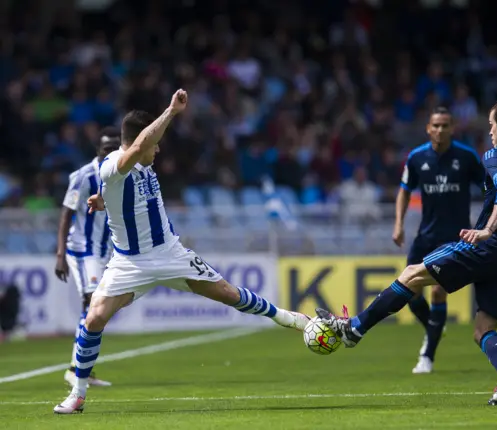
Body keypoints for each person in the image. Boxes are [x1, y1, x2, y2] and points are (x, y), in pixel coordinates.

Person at [54, 90, 310, 414]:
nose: (158, 149)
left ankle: (295, 320)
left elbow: (127, 197)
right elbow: (133, 152)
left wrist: (103, 203)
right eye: (154, 143)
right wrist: (171, 112)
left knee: (231, 295)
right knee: (93, 318)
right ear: (141, 142)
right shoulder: (112, 166)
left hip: (170, 254)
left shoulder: (136, 168)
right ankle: (77, 393)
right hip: (129, 263)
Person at [316, 97, 497, 405]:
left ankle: (354, 330)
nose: (491, 130)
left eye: (493, 125)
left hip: (488, 247)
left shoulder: (495, 155)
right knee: (483, 330)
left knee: (412, 273)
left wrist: (488, 229)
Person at [394, 107, 484, 374]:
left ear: (452, 128)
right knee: (409, 293)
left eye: (445, 125)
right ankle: (434, 327)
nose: (441, 130)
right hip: (425, 236)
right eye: (436, 125)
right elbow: (404, 191)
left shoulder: (466, 157)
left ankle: (427, 356)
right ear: (428, 128)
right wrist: (398, 223)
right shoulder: (416, 157)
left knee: (437, 291)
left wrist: (485, 226)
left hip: (454, 239)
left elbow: (488, 189)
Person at [54, 127, 121, 388]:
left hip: (106, 251)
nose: (111, 152)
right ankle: (76, 370)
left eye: (116, 147)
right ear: (98, 150)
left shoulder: (121, 174)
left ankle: (83, 370)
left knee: (96, 308)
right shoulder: (84, 177)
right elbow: (65, 214)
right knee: (92, 303)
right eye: (106, 148)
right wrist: (60, 254)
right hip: (83, 250)